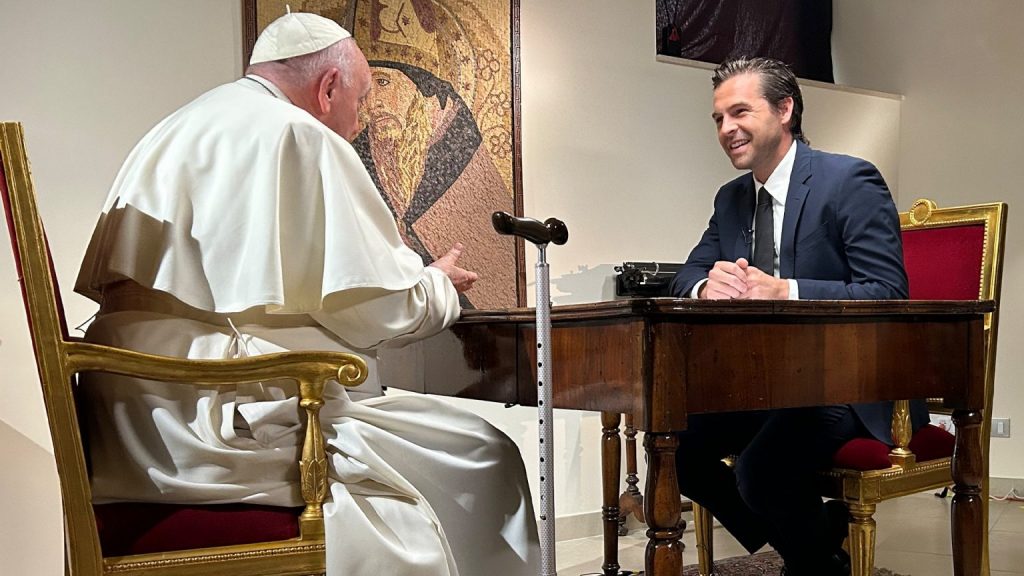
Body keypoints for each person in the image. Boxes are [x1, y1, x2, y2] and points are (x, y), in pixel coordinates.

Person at [74, 12, 538, 576]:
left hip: (128, 421)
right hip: (216, 426)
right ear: (329, 88)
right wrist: (437, 283)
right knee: (482, 452)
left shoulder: (173, 128)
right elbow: (378, 309)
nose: (359, 122)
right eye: (361, 101)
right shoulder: (300, 135)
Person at [668, 57, 927, 576]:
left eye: (740, 112)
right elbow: (685, 273)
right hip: (771, 385)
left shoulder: (849, 179)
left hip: (853, 385)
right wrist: (705, 285)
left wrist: (785, 289)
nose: (726, 129)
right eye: (718, 118)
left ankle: (811, 556)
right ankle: (815, 546)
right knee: (677, 449)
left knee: (761, 470)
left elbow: (887, 292)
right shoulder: (731, 199)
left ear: (785, 109)